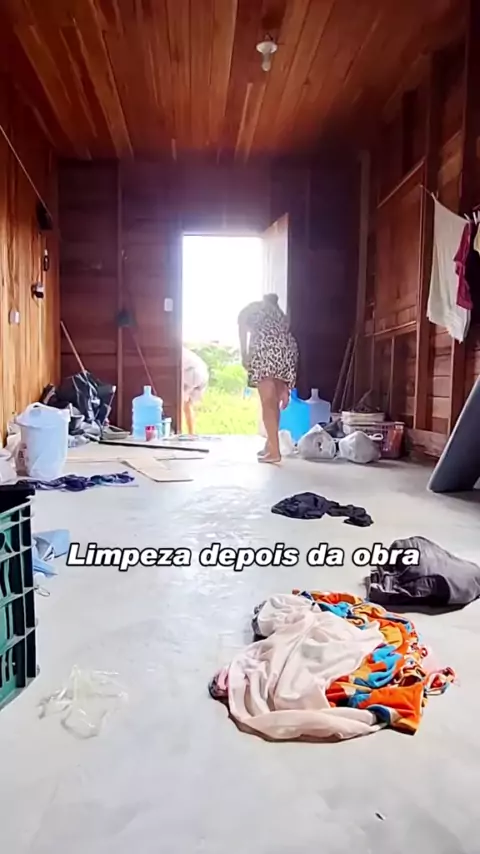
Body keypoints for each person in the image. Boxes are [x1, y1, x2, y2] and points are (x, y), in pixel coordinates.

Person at [238, 293, 298, 464]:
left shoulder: (253, 308)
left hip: (265, 349)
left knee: (267, 402)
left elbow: (242, 326)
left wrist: (244, 353)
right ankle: (270, 444)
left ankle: (274, 450)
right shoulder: (280, 315)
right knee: (274, 402)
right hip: (287, 351)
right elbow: (286, 334)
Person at [182, 347, 209, 435]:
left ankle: (178, 432)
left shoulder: (175, 350)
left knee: (179, 403)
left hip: (191, 372)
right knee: (187, 405)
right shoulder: (187, 352)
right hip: (203, 374)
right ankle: (191, 434)